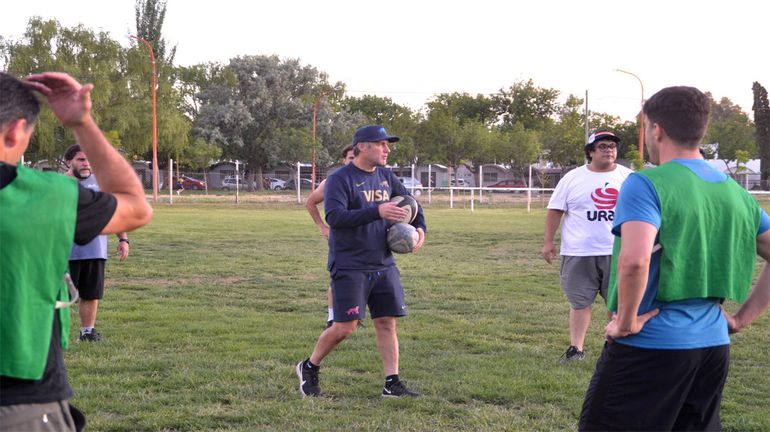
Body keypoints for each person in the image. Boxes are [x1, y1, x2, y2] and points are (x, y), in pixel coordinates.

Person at [579, 86, 770, 431]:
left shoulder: (646, 184)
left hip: (650, 346)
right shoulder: (737, 193)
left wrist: (625, 323)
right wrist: (741, 320)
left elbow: (635, 261)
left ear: (656, 129)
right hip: (712, 349)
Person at [0, 72, 153, 431]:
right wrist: (81, 123)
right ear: (16, 131)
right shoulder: (45, 196)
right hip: (18, 398)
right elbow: (136, 207)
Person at [296, 125, 426, 398]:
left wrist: (420, 227)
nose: (387, 150)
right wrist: (376, 211)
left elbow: (411, 202)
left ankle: (392, 382)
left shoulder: (386, 176)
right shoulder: (339, 179)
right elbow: (335, 217)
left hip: (383, 262)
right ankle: (309, 366)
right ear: (363, 146)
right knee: (344, 327)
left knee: (387, 323)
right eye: (382, 144)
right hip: (350, 263)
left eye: (387, 145)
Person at [542, 130, 633, 364]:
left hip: (617, 250)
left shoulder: (630, 178)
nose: (609, 150)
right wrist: (548, 242)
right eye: (602, 146)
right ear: (590, 151)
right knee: (580, 302)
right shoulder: (573, 178)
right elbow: (555, 211)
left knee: (616, 303)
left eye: (612, 146)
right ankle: (576, 349)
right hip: (578, 252)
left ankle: (614, 347)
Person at [64, 144, 130, 342]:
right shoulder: (57, 185)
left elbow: (114, 214)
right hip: (63, 252)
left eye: (89, 160)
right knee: (59, 296)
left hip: (95, 250)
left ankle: (87, 332)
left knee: (91, 294)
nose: (86, 164)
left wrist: (123, 239)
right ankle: (50, 334)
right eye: (81, 160)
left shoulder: (102, 184)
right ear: (69, 162)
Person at [305, 144, 356, 328]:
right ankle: (332, 316)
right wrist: (322, 227)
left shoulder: (368, 181)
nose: (354, 161)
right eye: (350, 158)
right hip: (340, 239)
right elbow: (310, 203)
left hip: (363, 240)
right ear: (344, 160)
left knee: (358, 278)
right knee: (338, 278)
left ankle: (354, 315)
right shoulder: (331, 182)